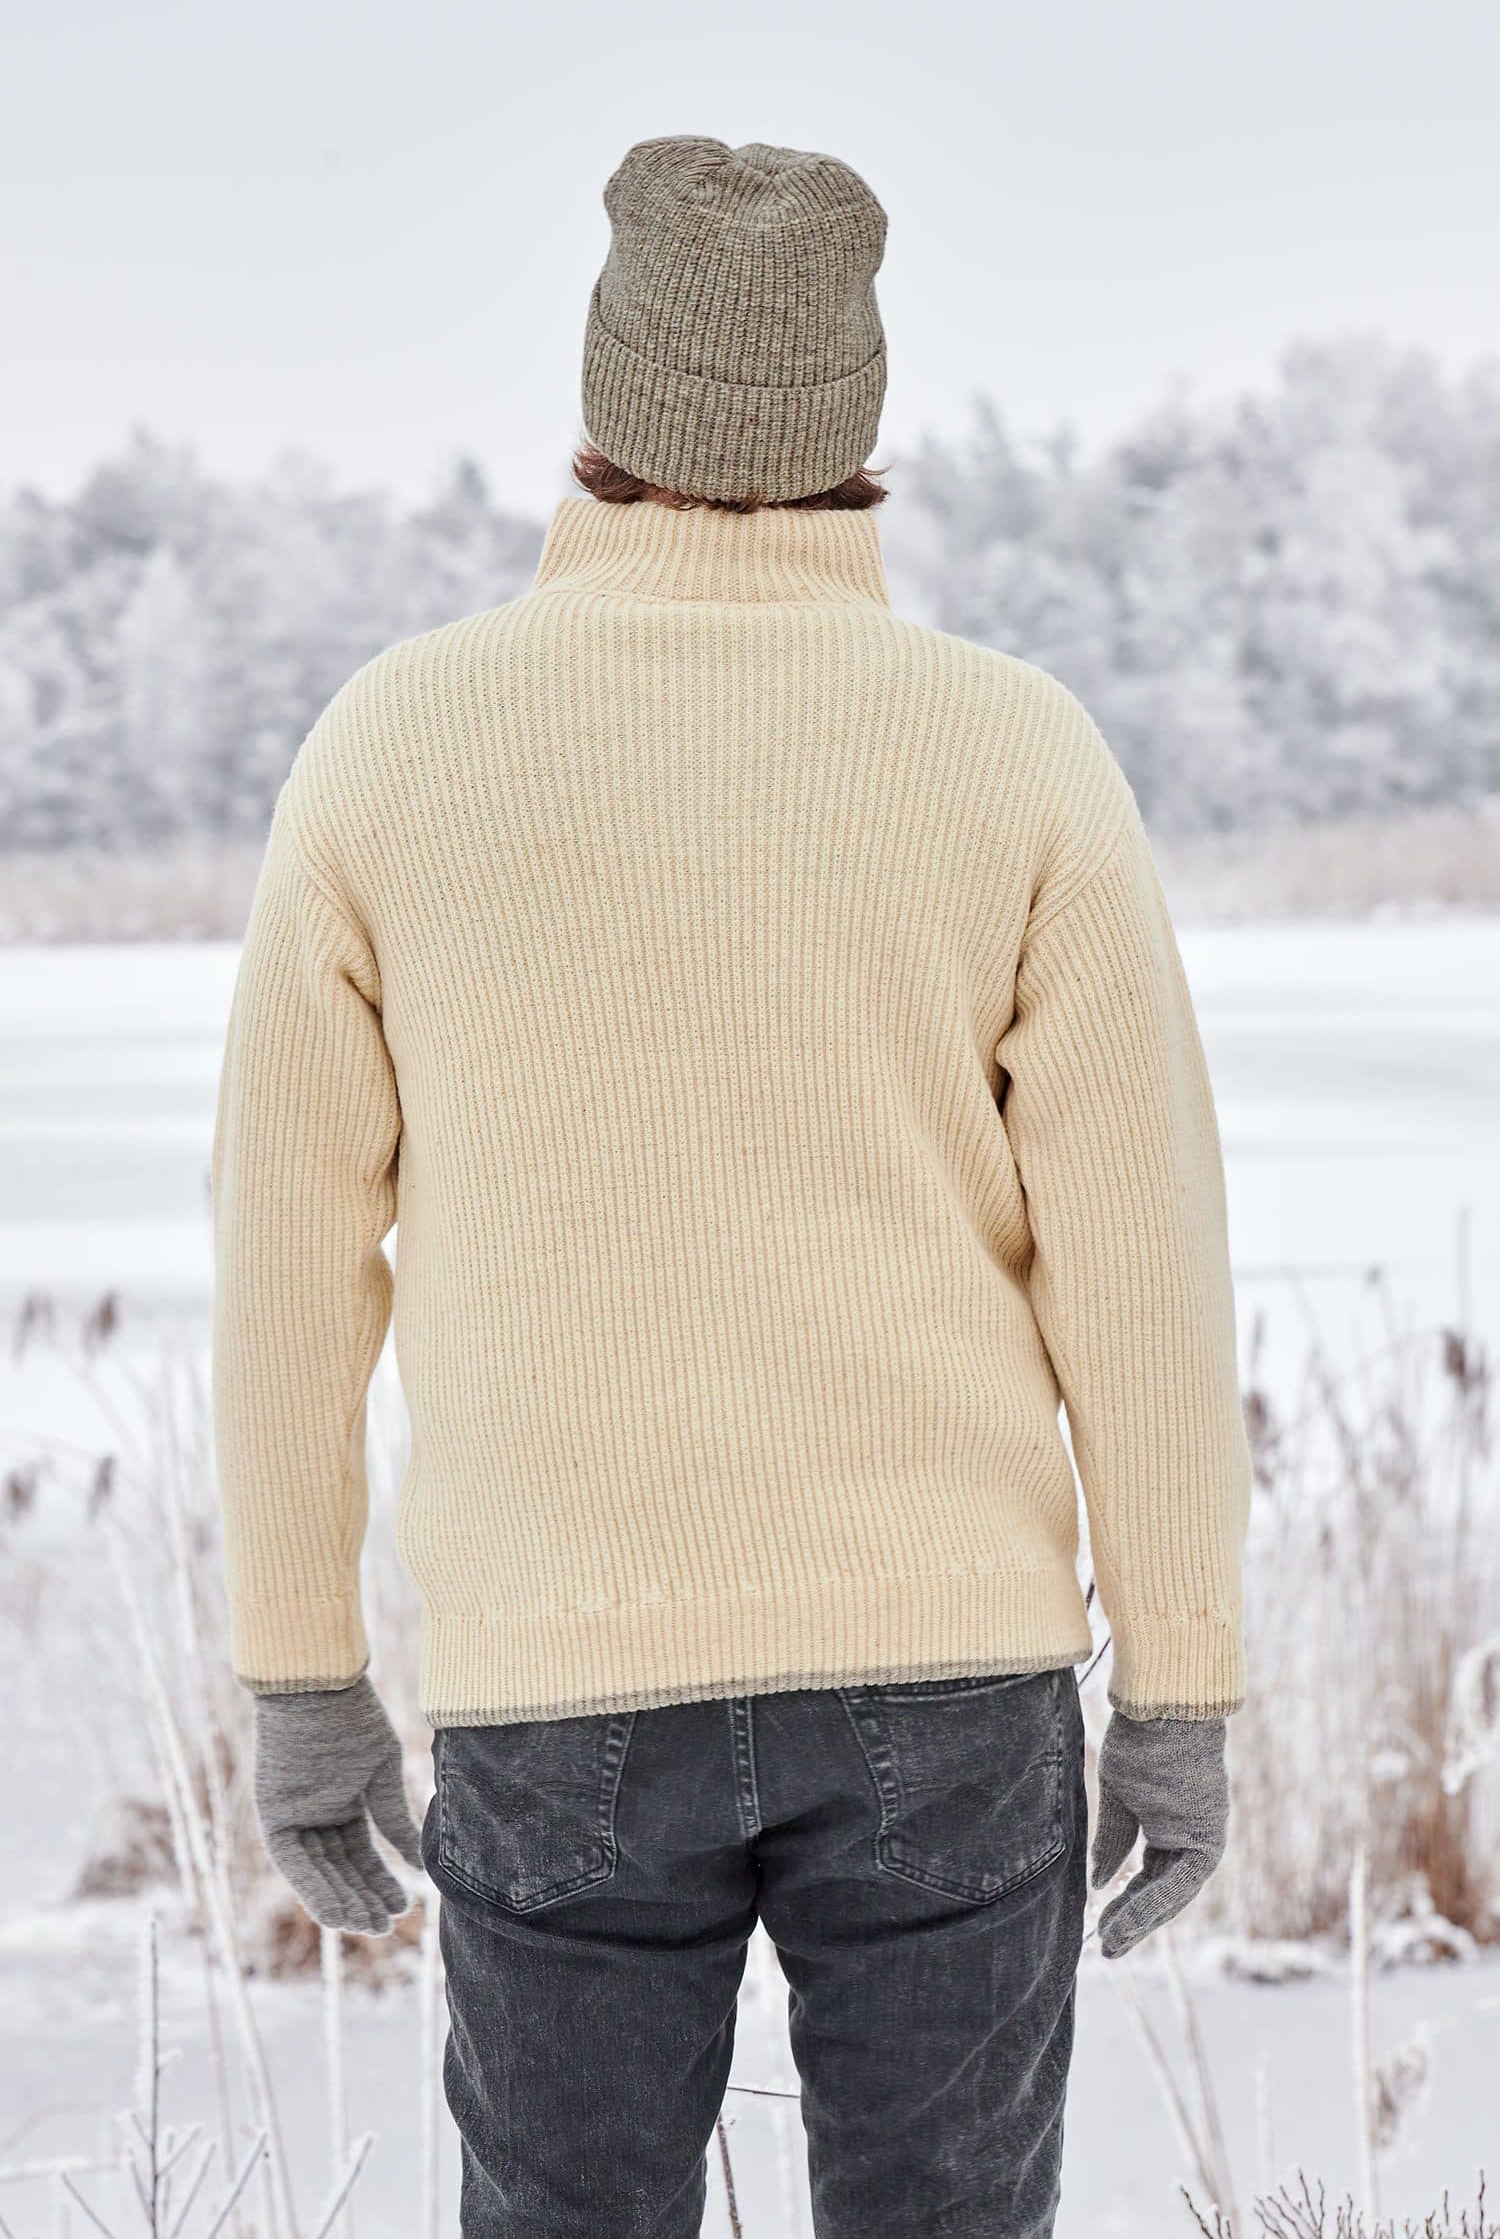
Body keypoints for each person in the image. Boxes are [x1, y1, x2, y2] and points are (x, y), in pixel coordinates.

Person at [214, 134, 1251, 2239]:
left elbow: (286, 1255)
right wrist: (1184, 1687)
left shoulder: (397, 745)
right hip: (948, 1687)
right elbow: (1140, 1268)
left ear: (605, 413)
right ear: (857, 431)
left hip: (557, 1670)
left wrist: (302, 1665)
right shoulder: (1013, 749)